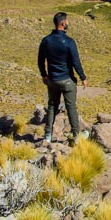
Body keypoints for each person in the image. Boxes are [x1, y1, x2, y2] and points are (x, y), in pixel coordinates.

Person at [38, 11, 88, 144]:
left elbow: (40, 60)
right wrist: (83, 77)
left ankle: (48, 135)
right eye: (67, 21)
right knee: (71, 107)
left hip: (52, 80)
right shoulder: (69, 42)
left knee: (52, 106)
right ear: (62, 23)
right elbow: (76, 62)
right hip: (67, 80)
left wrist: (44, 75)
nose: (68, 23)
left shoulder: (46, 41)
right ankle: (76, 135)